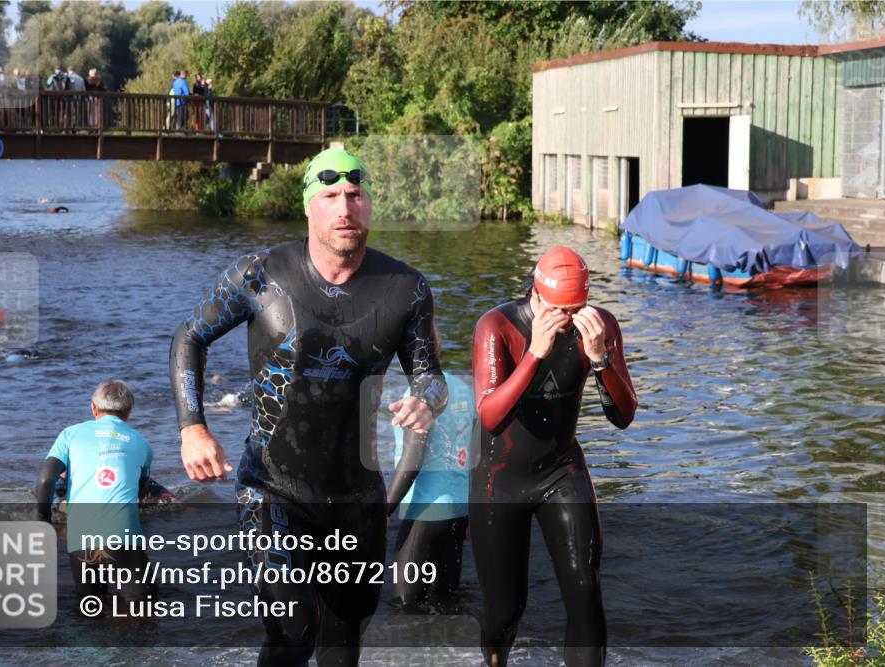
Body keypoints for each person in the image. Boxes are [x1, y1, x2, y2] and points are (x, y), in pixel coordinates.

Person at [170, 147, 448, 665]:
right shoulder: (260, 274)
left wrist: (426, 401)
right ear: (307, 206)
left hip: (356, 498)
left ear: (370, 204)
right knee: (292, 631)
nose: (344, 208)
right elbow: (190, 336)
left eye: (355, 195)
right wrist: (193, 428)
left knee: (343, 645)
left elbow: (431, 376)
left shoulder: (406, 289)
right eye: (330, 195)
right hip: (271, 487)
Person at [470, 247, 637, 667]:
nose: (567, 319)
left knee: (585, 591)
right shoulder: (497, 325)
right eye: (557, 310)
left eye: (575, 309)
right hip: (499, 478)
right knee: (505, 609)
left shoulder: (600, 326)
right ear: (536, 294)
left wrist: (601, 360)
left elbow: (623, 416)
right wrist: (535, 353)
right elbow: (490, 417)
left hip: (560, 469)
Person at [34, 379, 155, 606]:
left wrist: (43, 521)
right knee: (141, 607)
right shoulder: (142, 444)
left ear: (93, 407)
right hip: (123, 537)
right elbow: (142, 491)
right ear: (129, 412)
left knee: (90, 608)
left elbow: (45, 479)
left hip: (80, 539)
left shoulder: (70, 434)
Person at [386, 325, 474, 607]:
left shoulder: (417, 397)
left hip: (424, 511)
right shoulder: (463, 389)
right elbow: (476, 456)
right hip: (458, 512)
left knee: (404, 604)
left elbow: (413, 459)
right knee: (446, 600)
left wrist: (383, 511)